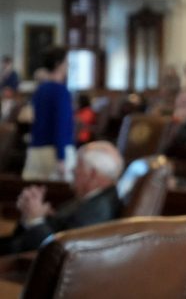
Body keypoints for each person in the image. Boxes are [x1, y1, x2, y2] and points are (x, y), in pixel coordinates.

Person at [0, 141, 124, 255]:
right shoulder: (93, 197)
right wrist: (35, 215)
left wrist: (35, 219)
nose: (73, 170)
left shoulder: (98, 209)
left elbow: (61, 253)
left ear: (92, 174)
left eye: (78, 165)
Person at [23, 46, 76, 181]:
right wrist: (61, 158)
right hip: (55, 153)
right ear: (58, 64)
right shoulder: (60, 91)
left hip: (36, 150)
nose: (68, 65)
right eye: (66, 62)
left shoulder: (40, 89)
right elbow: (61, 125)